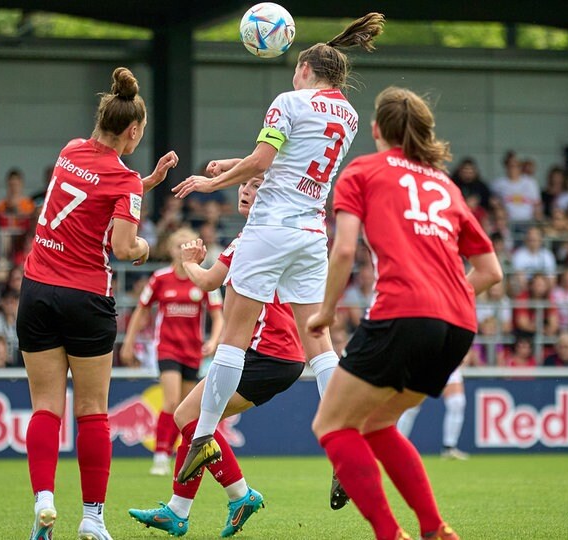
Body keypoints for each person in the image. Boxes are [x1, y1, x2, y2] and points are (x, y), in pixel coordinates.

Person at [170, 14, 385, 484]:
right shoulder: (348, 116)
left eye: (296, 70)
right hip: (311, 234)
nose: (292, 76)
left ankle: (203, 437)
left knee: (234, 336)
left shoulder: (288, 100)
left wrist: (213, 182)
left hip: (268, 229)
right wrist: (234, 163)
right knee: (320, 345)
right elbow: (290, 161)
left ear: (305, 69)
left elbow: (264, 161)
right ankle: (345, 443)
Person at [306, 86, 502, 540]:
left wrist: (326, 311)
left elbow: (344, 251)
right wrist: (443, 298)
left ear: (376, 129)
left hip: (403, 313)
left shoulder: (362, 171)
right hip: (457, 323)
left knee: (331, 424)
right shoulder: (445, 184)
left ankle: (390, 535)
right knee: (377, 423)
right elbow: (491, 271)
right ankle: (435, 528)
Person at [17, 67, 178, 540]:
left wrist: (145, 182)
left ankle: (44, 500)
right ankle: (92, 518)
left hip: (37, 289)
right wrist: (150, 248)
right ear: (132, 130)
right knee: (92, 410)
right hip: (86, 297)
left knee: (46, 406)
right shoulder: (122, 180)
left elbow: (95, 191)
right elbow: (126, 247)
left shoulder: (70, 152)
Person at [129, 177, 335, 537]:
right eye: (244, 185)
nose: (245, 190)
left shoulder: (253, 240)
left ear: (271, 195)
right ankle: (186, 508)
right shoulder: (284, 237)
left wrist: (189, 261)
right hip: (280, 355)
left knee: (188, 415)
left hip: (264, 353)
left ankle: (234, 495)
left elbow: (208, 281)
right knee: (191, 417)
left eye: (255, 186)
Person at [120, 227, 225, 476]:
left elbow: (217, 315)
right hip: (167, 348)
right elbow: (142, 311)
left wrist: (214, 340)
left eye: (188, 246)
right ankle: (160, 455)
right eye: (179, 247)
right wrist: (128, 342)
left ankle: (184, 453)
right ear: (171, 250)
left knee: (186, 409)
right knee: (170, 400)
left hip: (193, 350)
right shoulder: (160, 278)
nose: (183, 251)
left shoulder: (203, 278)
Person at [396, 366, 471, 461]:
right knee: (411, 406)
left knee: (457, 402)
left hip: (447, 360)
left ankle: (449, 447)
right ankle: (396, 447)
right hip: (424, 359)